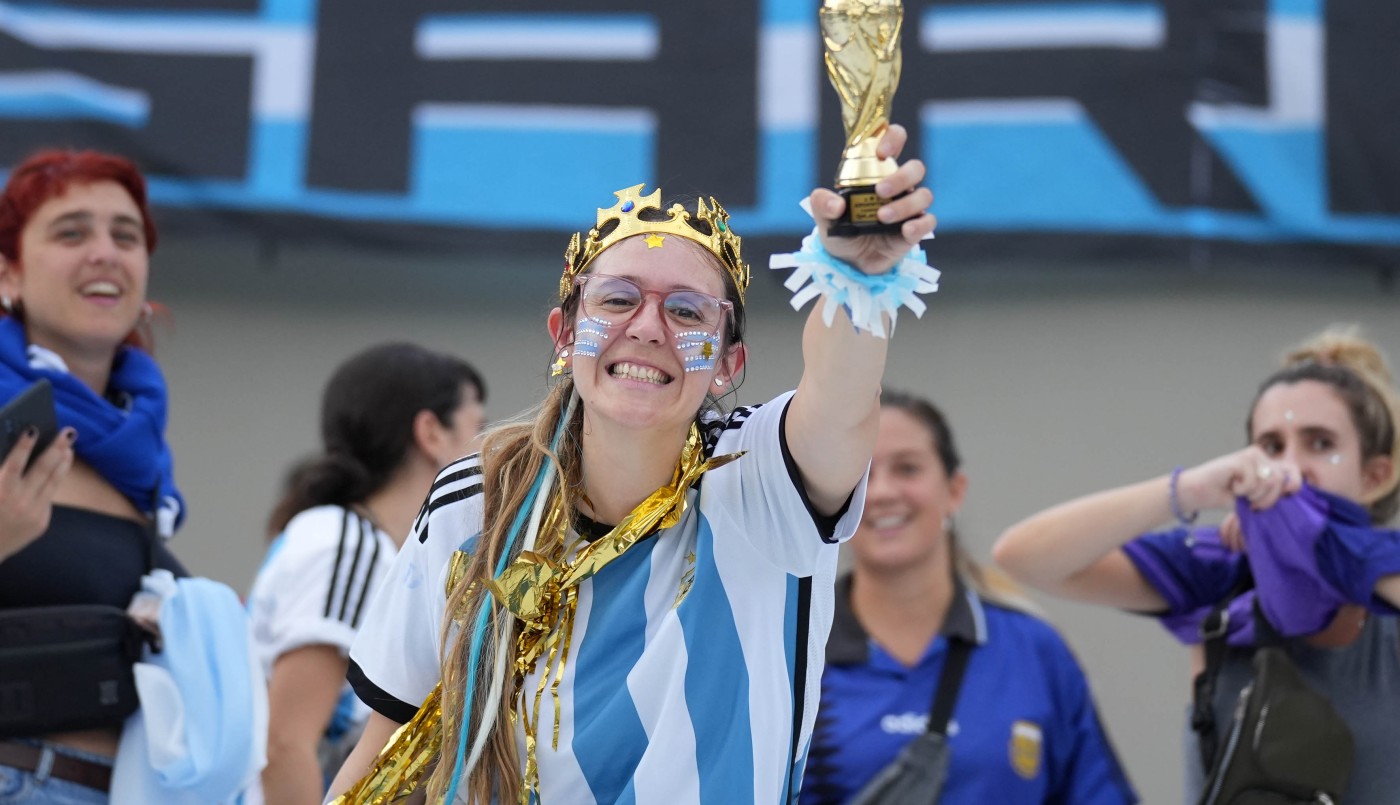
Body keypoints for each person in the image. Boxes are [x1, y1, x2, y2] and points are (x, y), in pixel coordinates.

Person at [327, 124, 938, 804]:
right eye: (618, 299)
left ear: (728, 363)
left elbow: (842, 395)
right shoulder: (475, 500)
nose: (648, 327)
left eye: (686, 310)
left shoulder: (761, 481)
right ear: (565, 334)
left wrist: (858, 281)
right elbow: (387, 747)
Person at [992, 327, 1400, 804]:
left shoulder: (1383, 578)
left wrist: (1324, 546)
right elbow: (1023, 558)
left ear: (1375, 476)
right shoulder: (1223, 572)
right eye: (1271, 446)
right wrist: (1190, 490)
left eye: (1319, 443)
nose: (1289, 467)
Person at [799, 391, 1137, 804]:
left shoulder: (1034, 650)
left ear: (954, 490)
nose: (883, 491)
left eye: (907, 468)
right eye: (861, 472)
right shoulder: (795, 649)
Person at [0, 150, 187, 802]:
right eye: (71, 232)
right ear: (9, 273)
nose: (105, 252)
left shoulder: (140, 449)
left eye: (125, 235)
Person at [246, 343, 486, 804]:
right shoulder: (346, 544)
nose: (485, 449)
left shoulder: (349, 537)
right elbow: (286, 744)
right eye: (478, 426)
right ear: (430, 432)